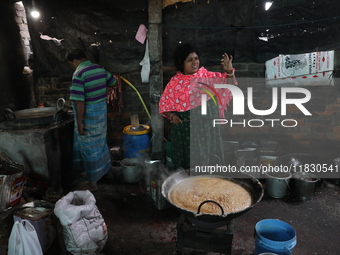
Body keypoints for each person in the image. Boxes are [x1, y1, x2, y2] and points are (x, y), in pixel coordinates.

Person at [159, 43, 236, 170]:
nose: (195, 62)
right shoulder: (174, 83)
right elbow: (164, 106)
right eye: (190, 60)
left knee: (210, 162)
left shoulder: (207, 77)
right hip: (185, 131)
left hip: (208, 130)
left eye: (196, 58)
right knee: (189, 167)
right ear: (181, 63)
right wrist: (171, 116)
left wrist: (229, 71)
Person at [67, 49, 116, 191]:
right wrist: (102, 89)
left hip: (88, 116)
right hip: (101, 114)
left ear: (75, 61)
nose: (73, 67)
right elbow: (113, 82)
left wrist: (80, 122)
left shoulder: (79, 74)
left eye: (71, 64)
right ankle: (107, 172)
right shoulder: (99, 69)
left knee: (89, 148)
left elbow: (79, 101)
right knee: (100, 143)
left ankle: (93, 181)